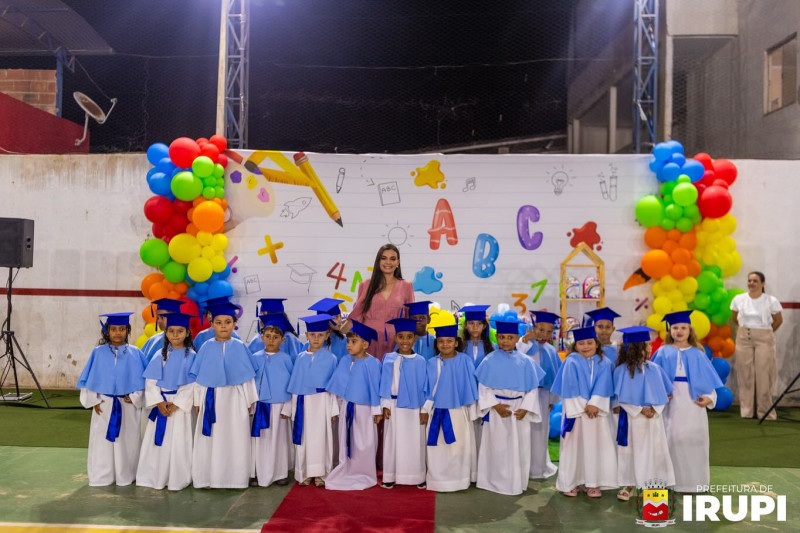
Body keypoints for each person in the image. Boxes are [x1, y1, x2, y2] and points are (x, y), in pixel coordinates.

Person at [190, 299, 258, 489]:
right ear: (211, 324)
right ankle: (210, 477)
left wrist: (249, 401)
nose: (223, 326)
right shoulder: (205, 347)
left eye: (228, 322)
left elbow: (247, 378)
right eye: (218, 322)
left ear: (234, 323)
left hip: (236, 400)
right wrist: (197, 400)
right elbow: (199, 378)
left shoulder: (240, 347)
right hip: (212, 398)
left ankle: (235, 479)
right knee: (212, 438)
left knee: (236, 437)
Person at [652, 310, 723, 493]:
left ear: (690, 330)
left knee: (694, 440)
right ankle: (670, 481)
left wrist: (710, 398)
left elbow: (708, 382)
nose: (679, 331)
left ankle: (694, 482)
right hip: (671, 403)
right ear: (670, 331)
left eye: (683, 327)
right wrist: (659, 395)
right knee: (671, 439)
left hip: (693, 403)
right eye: (675, 328)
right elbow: (653, 379)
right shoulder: (662, 352)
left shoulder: (698, 353)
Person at [76, 312, 147, 487]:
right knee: (103, 443)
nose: (118, 333)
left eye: (122, 329)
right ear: (106, 331)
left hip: (127, 405)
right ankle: (102, 475)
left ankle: (126, 475)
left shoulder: (135, 354)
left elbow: (146, 383)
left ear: (127, 330)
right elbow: (88, 381)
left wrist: (136, 397)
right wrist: (94, 400)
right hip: (105, 405)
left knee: (128, 441)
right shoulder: (98, 353)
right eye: (113, 329)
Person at [475, 319, 543, 496]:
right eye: (502, 337)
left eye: (510, 337)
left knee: (519, 447)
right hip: (498, 410)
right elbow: (483, 387)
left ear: (517, 338)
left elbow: (532, 389)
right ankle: (492, 481)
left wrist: (526, 408)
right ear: (496, 337)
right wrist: (495, 405)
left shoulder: (526, 362)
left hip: (518, 410)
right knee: (496, 447)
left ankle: (516, 482)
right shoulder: (489, 360)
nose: (505, 341)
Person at [551, 326, 617, 498]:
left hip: (596, 414)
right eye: (581, 343)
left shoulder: (605, 362)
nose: (586, 346)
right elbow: (569, 387)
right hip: (576, 413)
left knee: (596, 447)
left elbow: (605, 384)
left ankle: (592, 483)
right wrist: (584, 407)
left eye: (589, 342)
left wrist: (595, 404)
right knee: (573, 447)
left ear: (596, 344)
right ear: (575, 345)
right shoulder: (571, 361)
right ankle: (569, 482)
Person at [613, 326, 675, 501]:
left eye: (648, 345)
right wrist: (640, 409)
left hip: (653, 418)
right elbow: (620, 397)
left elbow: (666, 394)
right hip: (633, 418)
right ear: (633, 349)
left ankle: (656, 482)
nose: (648, 348)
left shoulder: (654, 369)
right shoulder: (621, 371)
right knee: (631, 450)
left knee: (655, 449)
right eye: (644, 345)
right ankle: (629, 483)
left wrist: (655, 408)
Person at [136, 312, 196, 491]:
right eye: (171, 331)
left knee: (179, 442)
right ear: (166, 333)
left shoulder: (192, 356)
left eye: (179, 331)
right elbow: (151, 381)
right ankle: (154, 476)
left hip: (179, 408)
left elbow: (192, 383)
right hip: (162, 405)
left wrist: (177, 403)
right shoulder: (160, 355)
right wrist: (159, 402)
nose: (175, 335)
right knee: (157, 445)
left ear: (187, 333)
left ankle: (177, 478)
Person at [325, 320, 383, 490]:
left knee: (364, 442)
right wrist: (336, 407)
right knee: (346, 440)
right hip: (347, 408)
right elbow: (338, 386)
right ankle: (347, 469)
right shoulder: (344, 360)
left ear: (365, 344)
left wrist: (376, 410)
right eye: (348, 341)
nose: (348, 345)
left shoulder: (373, 363)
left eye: (353, 342)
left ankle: (364, 472)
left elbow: (374, 388)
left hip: (365, 411)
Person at [423, 324, 479, 492]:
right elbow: (427, 388)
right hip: (436, 412)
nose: (445, 344)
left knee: (458, 448)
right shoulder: (431, 363)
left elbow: (470, 386)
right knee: (438, 449)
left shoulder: (464, 360)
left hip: (457, 412)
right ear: (436, 343)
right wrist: (424, 411)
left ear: (456, 342)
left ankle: (459, 479)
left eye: (449, 341)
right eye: (441, 341)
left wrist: (472, 411)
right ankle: (438, 480)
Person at [286, 314, 340, 487]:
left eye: (320, 335)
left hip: (323, 403)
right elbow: (295, 385)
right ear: (307, 335)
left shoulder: (331, 359)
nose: (316, 338)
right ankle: (305, 472)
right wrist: (292, 408)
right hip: (304, 403)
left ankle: (321, 473)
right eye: (312, 335)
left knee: (322, 438)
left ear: (327, 336)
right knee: (305, 438)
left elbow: (333, 389)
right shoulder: (300, 358)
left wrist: (333, 409)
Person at [379, 317, 428, 489]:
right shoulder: (389, 359)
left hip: (414, 408)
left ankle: (416, 476)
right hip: (393, 406)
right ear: (395, 338)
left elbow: (425, 387)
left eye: (409, 336)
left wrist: (424, 409)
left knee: (415, 442)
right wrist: (384, 404)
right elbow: (384, 383)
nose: (405, 340)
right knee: (392, 441)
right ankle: (390, 476)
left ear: (415, 338)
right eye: (401, 336)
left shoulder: (421, 361)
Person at [346, 243, 415, 361]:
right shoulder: (365, 285)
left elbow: (410, 318)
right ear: (378, 261)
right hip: (368, 340)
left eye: (392, 259)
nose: (388, 262)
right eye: (384, 258)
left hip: (395, 342)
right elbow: (357, 315)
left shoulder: (406, 286)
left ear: (398, 262)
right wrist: (339, 328)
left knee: (392, 376)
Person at [730, 271, 783, 420]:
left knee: (764, 373)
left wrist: (766, 333)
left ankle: (765, 411)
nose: (751, 283)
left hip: (764, 335)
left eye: (755, 281)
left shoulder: (770, 300)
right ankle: (746, 411)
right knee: (745, 373)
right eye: (749, 280)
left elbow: (778, 320)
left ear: (762, 284)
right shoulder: (738, 299)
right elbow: (735, 317)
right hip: (743, 336)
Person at [250, 314, 295, 487]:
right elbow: (249, 382)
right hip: (260, 405)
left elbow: (291, 385)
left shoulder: (286, 359)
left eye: (276, 337)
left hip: (279, 406)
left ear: (282, 340)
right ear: (262, 337)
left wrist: (288, 407)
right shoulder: (255, 357)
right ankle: (258, 472)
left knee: (279, 440)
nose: (271, 340)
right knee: (259, 440)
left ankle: (279, 473)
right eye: (267, 336)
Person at [517, 310, 562, 479]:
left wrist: (551, 400)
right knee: (523, 429)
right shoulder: (524, 346)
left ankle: (537, 467)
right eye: (540, 329)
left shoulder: (551, 351)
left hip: (542, 396)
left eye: (549, 331)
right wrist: (524, 341)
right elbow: (515, 358)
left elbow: (555, 377)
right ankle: (522, 466)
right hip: (523, 394)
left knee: (539, 430)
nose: (544, 334)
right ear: (533, 327)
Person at [141, 298, 185, 362]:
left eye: (162, 317)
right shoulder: (153, 340)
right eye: (157, 318)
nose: (159, 321)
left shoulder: (185, 342)